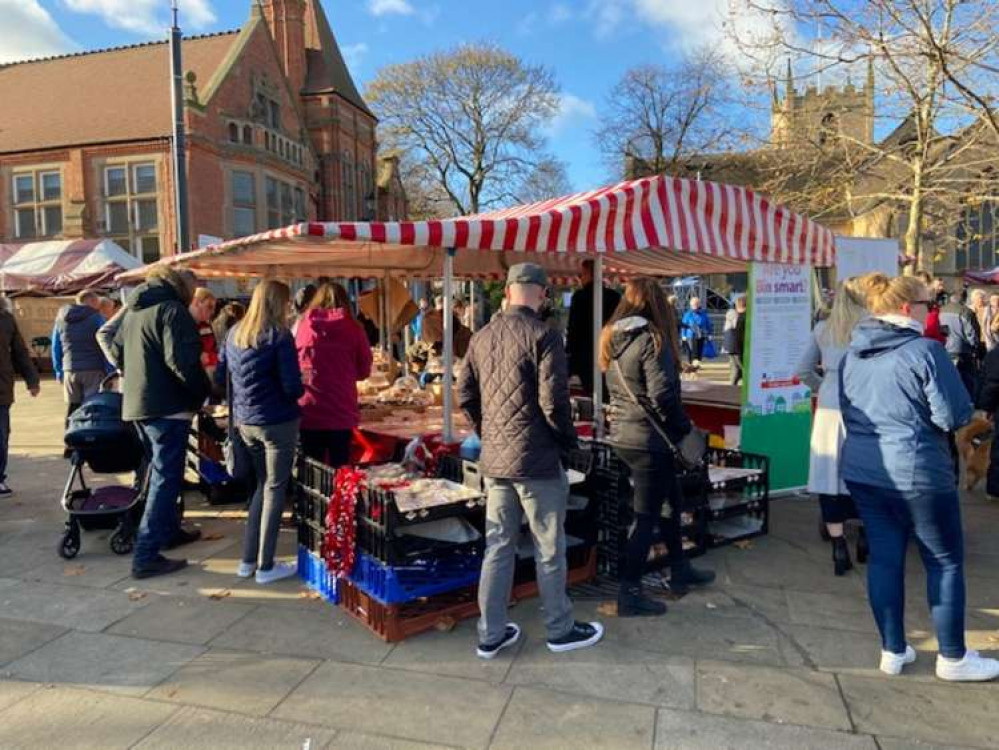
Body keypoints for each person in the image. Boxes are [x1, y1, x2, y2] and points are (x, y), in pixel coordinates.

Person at [840, 272, 999, 681]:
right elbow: (955, 416)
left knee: (885, 558)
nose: (934, 311)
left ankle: (893, 650)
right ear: (908, 309)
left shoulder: (851, 354)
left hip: (864, 469)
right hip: (917, 472)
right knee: (944, 562)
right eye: (930, 304)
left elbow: (849, 410)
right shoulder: (925, 352)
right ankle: (952, 657)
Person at [459, 262, 603, 658]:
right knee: (548, 547)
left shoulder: (481, 337)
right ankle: (559, 629)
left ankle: (490, 633)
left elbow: (465, 394)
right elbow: (553, 403)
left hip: (497, 459)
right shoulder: (546, 335)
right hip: (537, 459)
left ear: (507, 293)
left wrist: (488, 432)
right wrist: (569, 443)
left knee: (499, 546)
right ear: (541, 294)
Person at [602, 278, 715, 616]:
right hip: (651, 439)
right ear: (657, 305)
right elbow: (662, 395)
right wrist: (684, 429)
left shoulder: (614, 339)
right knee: (648, 515)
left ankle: (680, 568)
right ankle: (629, 591)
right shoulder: (653, 340)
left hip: (626, 434)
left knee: (671, 502)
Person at [110, 266, 211, 579]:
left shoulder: (134, 309)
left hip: (140, 405)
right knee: (164, 480)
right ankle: (146, 553)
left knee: (161, 475)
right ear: (180, 285)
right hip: (168, 407)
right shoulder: (172, 310)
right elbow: (183, 364)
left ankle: (167, 533)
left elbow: (115, 351)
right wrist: (203, 393)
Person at [217, 280, 303, 584]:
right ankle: (265, 566)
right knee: (274, 490)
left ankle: (248, 560)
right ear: (279, 303)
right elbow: (293, 387)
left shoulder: (233, 333)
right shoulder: (279, 337)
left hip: (246, 422)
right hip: (277, 421)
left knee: (261, 488)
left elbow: (220, 376)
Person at [797, 278, 867, 576]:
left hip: (829, 405)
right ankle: (865, 533)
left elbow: (802, 370)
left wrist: (822, 384)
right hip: (864, 403)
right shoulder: (870, 329)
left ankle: (839, 545)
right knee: (865, 471)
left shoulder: (822, 330)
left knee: (829, 473)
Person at [296, 282, 372, 468]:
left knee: (313, 471)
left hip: (309, 407)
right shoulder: (354, 328)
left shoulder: (303, 326)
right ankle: (338, 497)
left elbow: (293, 363)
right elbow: (364, 370)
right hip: (341, 408)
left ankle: (313, 498)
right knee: (341, 470)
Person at [0, 299, 40, 496]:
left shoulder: (6, 319)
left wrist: (32, 380)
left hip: (1, 390)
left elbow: (19, 352)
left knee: (1, 437)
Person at [52, 289, 109, 422]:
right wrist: (109, 370)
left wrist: (59, 371)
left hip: (69, 369)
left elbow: (56, 347)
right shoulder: (96, 318)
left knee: (73, 407)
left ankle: (70, 436)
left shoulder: (60, 320)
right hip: (93, 369)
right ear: (92, 301)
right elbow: (105, 344)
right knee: (91, 406)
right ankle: (89, 437)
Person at [566, 259, 621, 394]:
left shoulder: (579, 297)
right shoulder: (614, 297)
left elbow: (573, 327)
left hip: (585, 354)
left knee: (591, 393)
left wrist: (569, 352)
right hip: (609, 352)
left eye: (582, 274)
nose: (580, 278)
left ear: (591, 275)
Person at [939, 292, 981, 398]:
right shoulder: (966, 311)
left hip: (946, 348)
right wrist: (975, 347)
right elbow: (971, 333)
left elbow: (941, 330)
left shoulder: (941, 310)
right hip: (963, 350)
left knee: (949, 378)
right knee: (967, 380)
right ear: (963, 299)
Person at [189, 287, 218, 379]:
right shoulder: (183, 324)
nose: (212, 312)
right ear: (196, 303)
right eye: (209, 307)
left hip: (209, 372)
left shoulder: (206, 325)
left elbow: (214, 348)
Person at [680, 297, 713, 366]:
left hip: (701, 334)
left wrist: (710, 333)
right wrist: (683, 335)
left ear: (699, 304)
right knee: (691, 351)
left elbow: (708, 324)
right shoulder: (688, 314)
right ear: (691, 305)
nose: (695, 305)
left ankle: (697, 364)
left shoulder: (703, 314)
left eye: (696, 304)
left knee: (700, 351)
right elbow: (683, 325)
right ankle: (691, 364)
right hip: (690, 336)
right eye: (693, 304)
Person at [722, 296, 747, 386]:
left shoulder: (731, 315)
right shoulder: (744, 317)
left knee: (735, 369)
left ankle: (732, 387)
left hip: (730, 346)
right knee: (743, 369)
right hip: (739, 347)